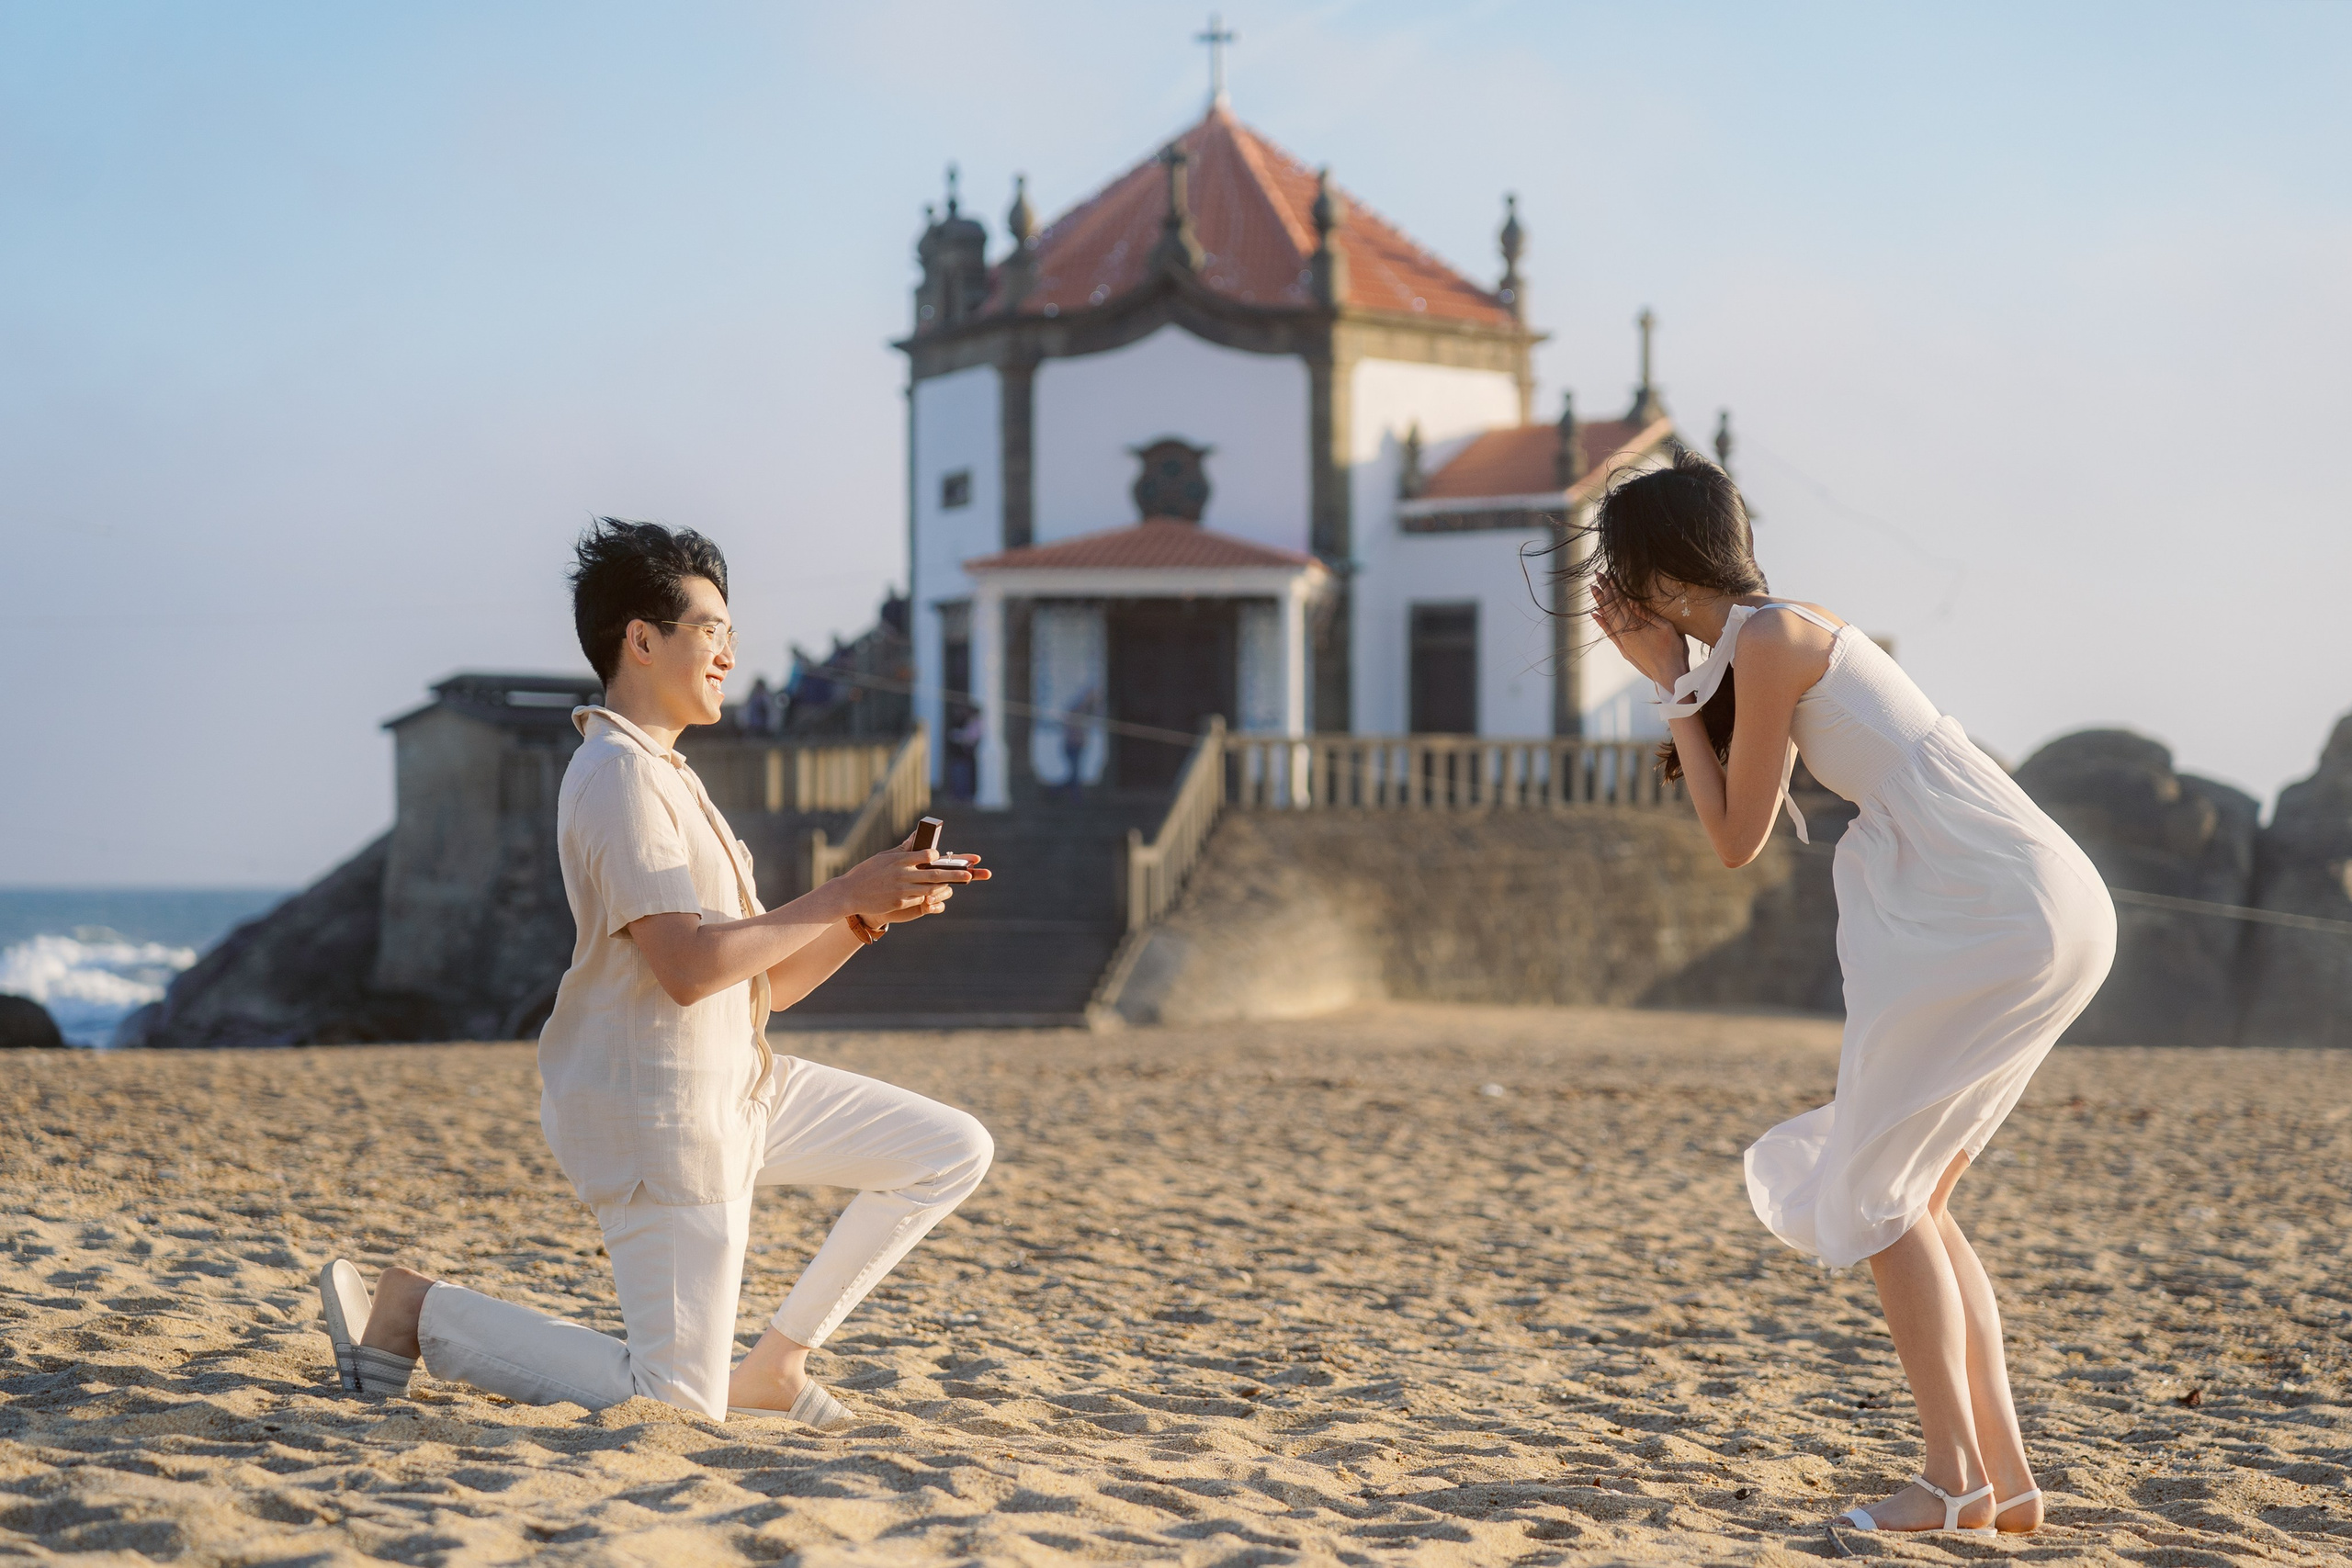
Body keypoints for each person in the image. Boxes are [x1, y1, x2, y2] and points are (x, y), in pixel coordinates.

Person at [314, 518, 994, 1428]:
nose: (728, 652)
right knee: (671, 1405)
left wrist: (866, 913)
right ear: (641, 638)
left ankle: (777, 1365)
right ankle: (416, 1311)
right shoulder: (616, 777)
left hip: (738, 1089)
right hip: (662, 1114)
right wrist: (840, 889)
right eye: (710, 628)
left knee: (947, 1150)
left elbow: (763, 987)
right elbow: (682, 968)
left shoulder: (667, 776)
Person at [1574, 453, 2113, 1539]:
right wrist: (1680, 673)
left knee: (1878, 1197)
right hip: (2029, 897)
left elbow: (1734, 840)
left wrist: (1663, 683)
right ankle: (2000, 1483)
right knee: (1910, 1198)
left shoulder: (1768, 642)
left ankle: (1952, 1481)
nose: (1612, 597)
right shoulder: (1769, 633)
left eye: (1619, 574)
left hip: (1987, 904)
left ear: (1661, 573)